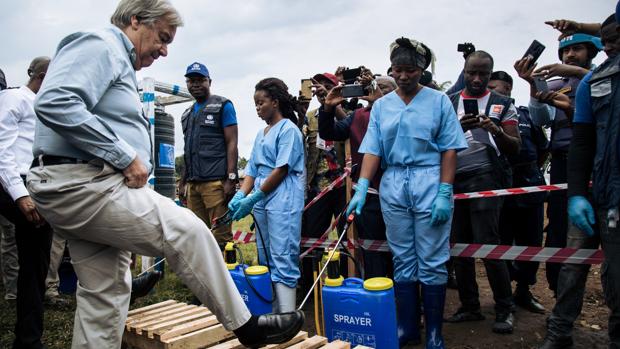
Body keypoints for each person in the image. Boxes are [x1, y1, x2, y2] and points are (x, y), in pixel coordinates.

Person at [27, 1, 303, 347]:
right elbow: (55, 102)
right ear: (135, 20)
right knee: (188, 230)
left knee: (105, 295)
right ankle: (245, 326)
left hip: (83, 184)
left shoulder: (120, 63)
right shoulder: (101, 44)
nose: (165, 49)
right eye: (162, 37)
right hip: (84, 183)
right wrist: (125, 156)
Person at [347, 37, 467, 348]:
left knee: (432, 258)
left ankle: (435, 332)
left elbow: (450, 149)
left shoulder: (439, 101)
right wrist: (362, 186)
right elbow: (372, 149)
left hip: (430, 179)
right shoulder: (382, 106)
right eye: (398, 70)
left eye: (410, 70)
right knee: (402, 257)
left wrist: (444, 190)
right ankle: (408, 327)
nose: (403, 76)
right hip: (393, 182)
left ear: (422, 70)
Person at [538, 13, 620, 349]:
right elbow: (582, 143)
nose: (614, 46)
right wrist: (575, 195)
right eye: (611, 40)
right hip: (595, 188)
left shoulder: (586, 78)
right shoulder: (594, 83)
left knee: (616, 275)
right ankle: (559, 332)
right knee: (572, 264)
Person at [515, 31, 603, 297]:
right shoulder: (555, 83)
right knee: (558, 228)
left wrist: (575, 72)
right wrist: (533, 85)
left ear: (591, 51)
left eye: (577, 49)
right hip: (565, 164)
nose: (570, 55)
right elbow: (541, 118)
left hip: (602, 161)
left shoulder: (603, 76)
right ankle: (558, 289)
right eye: (566, 51)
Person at [446, 51, 521, 334]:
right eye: (472, 73)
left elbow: (517, 147)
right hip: (453, 179)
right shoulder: (449, 103)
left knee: (489, 244)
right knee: (459, 245)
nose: (477, 79)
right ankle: (470, 306)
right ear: (464, 71)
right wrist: (455, 129)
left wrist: (496, 132)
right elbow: (434, 142)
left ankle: (505, 307)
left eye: (484, 74)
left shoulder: (503, 103)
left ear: (491, 74)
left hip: (487, 178)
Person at [228, 77, 304, 313]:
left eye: (261, 103)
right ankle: (271, 313)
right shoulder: (262, 133)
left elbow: (281, 170)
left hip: (283, 196)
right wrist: (241, 194)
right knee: (265, 254)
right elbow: (252, 169)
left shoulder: (289, 130)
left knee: (283, 254)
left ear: (275, 101)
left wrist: (254, 197)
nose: (258, 108)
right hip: (262, 197)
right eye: (255, 104)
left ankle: (287, 315)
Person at [318, 72, 397, 280]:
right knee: (372, 250)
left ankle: (405, 298)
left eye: (384, 88)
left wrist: (382, 104)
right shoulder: (358, 115)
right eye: (371, 86)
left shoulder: (401, 114)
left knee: (400, 249)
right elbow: (329, 133)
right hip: (367, 194)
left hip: (397, 191)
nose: (375, 90)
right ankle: (375, 293)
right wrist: (329, 107)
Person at [0, 56, 53, 349]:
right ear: (43, 76)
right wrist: (19, 194)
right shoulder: (15, 98)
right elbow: (2, 148)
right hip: (10, 183)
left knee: (36, 264)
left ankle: (28, 339)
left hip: (37, 184)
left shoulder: (47, 107)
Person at [491, 71, 548, 314]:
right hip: (499, 191)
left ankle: (524, 290)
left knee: (531, 242)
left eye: (500, 90)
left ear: (510, 91)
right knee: (500, 243)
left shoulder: (526, 115)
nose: (495, 93)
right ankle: (503, 298)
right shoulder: (483, 118)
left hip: (530, 188)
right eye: (491, 88)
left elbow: (544, 149)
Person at [179, 62, 238, 250]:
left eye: (200, 80)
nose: (195, 84)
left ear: (209, 81)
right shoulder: (186, 114)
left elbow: (232, 143)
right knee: (198, 234)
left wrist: (231, 178)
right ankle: (204, 278)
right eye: (191, 81)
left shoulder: (223, 106)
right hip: (193, 185)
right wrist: (182, 182)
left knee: (221, 236)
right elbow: (189, 150)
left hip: (216, 183)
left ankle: (227, 278)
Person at [300, 71, 348, 294]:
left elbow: (348, 127)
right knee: (312, 236)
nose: (321, 89)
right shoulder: (309, 118)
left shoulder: (347, 112)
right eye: (318, 85)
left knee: (346, 236)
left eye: (327, 85)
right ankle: (310, 287)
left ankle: (345, 282)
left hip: (342, 186)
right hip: (317, 187)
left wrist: (334, 103)